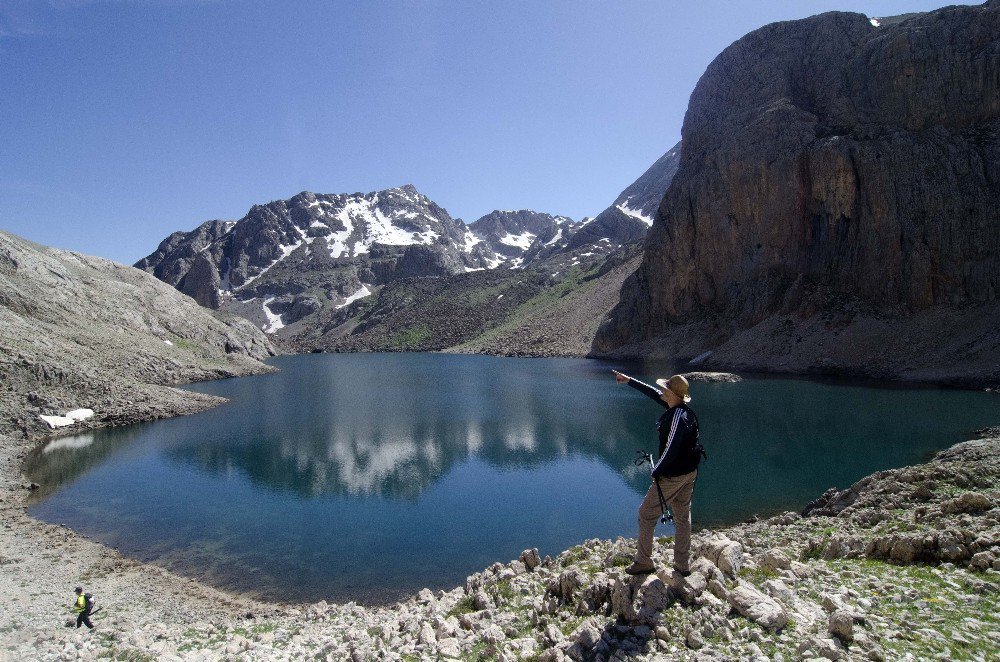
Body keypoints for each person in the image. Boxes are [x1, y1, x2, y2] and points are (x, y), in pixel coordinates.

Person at [613, 370, 701, 577]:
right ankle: (682, 564)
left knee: (646, 514)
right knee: (682, 517)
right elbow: (654, 393)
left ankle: (644, 561)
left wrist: (657, 470)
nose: (661, 390)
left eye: (665, 388)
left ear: (672, 394)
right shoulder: (683, 410)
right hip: (689, 473)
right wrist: (630, 380)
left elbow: (670, 448)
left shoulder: (676, 418)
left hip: (672, 476)